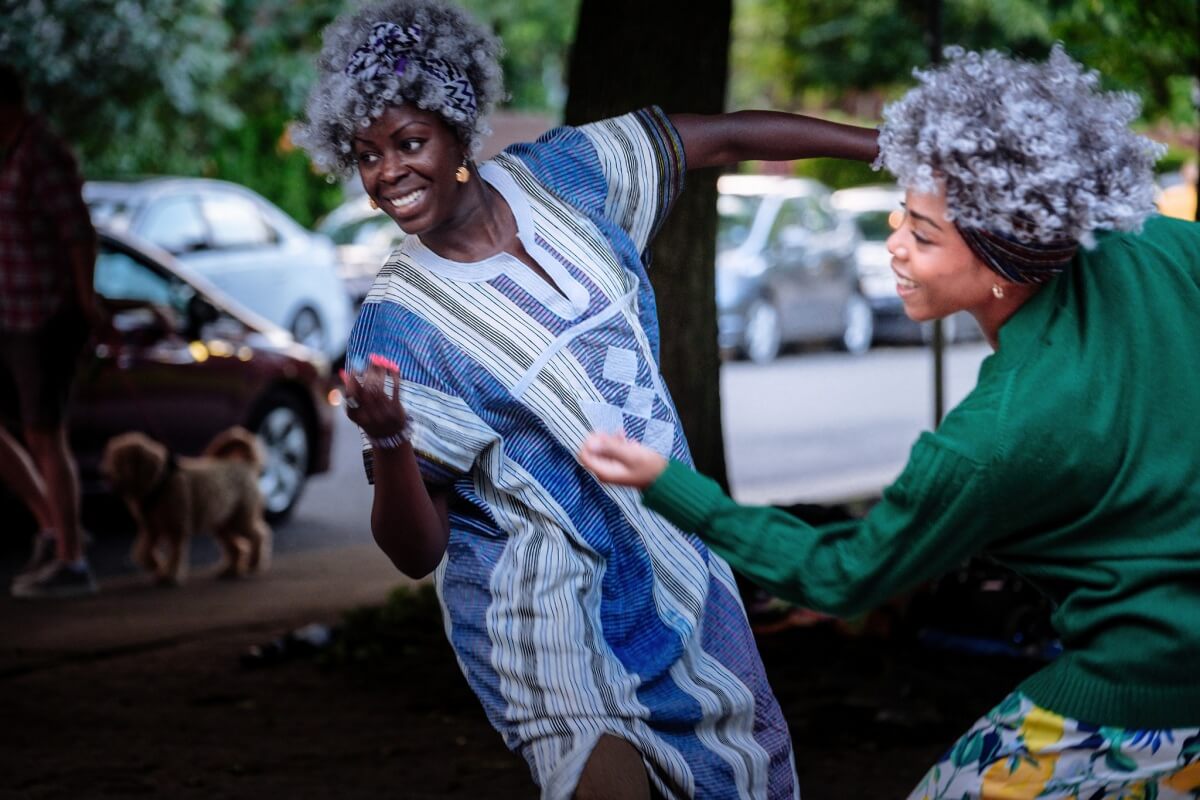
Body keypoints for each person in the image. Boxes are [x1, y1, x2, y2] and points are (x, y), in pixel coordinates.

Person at [580, 45, 1200, 799]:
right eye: (901, 214)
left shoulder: (997, 435)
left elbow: (843, 575)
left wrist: (672, 486)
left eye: (925, 236)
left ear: (1008, 259)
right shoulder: (1161, 246)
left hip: (1140, 706)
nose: (894, 247)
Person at [294, 1, 878, 797]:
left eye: (409, 142)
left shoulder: (564, 175)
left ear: (460, 130)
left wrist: (886, 147)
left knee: (747, 776)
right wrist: (392, 439)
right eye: (365, 155)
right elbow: (415, 552)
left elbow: (731, 136)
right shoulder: (399, 326)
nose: (387, 173)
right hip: (543, 612)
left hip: (676, 569)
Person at [0, 65, 104, 598]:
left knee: (45, 432)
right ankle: (53, 526)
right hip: (7, 313)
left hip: (44, 316)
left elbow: (78, 235)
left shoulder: (41, 152)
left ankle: (71, 558)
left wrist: (86, 303)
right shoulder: (6, 153)